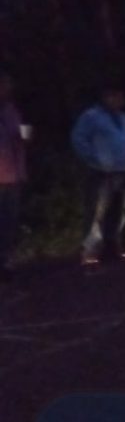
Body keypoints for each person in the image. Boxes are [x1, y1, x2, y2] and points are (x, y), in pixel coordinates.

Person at [72, 84, 125, 265]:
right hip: (101, 171)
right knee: (97, 211)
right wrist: (93, 158)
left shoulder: (124, 118)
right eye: (116, 96)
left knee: (118, 211)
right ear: (107, 97)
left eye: (121, 97)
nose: (120, 100)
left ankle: (112, 245)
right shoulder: (92, 116)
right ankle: (90, 250)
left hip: (122, 169)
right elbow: (78, 138)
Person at [0, 73, 29, 278]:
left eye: (8, 84)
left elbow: (19, 137)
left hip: (13, 174)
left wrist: (23, 138)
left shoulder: (12, 110)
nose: (6, 88)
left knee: (9, 221)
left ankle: (6, 261)